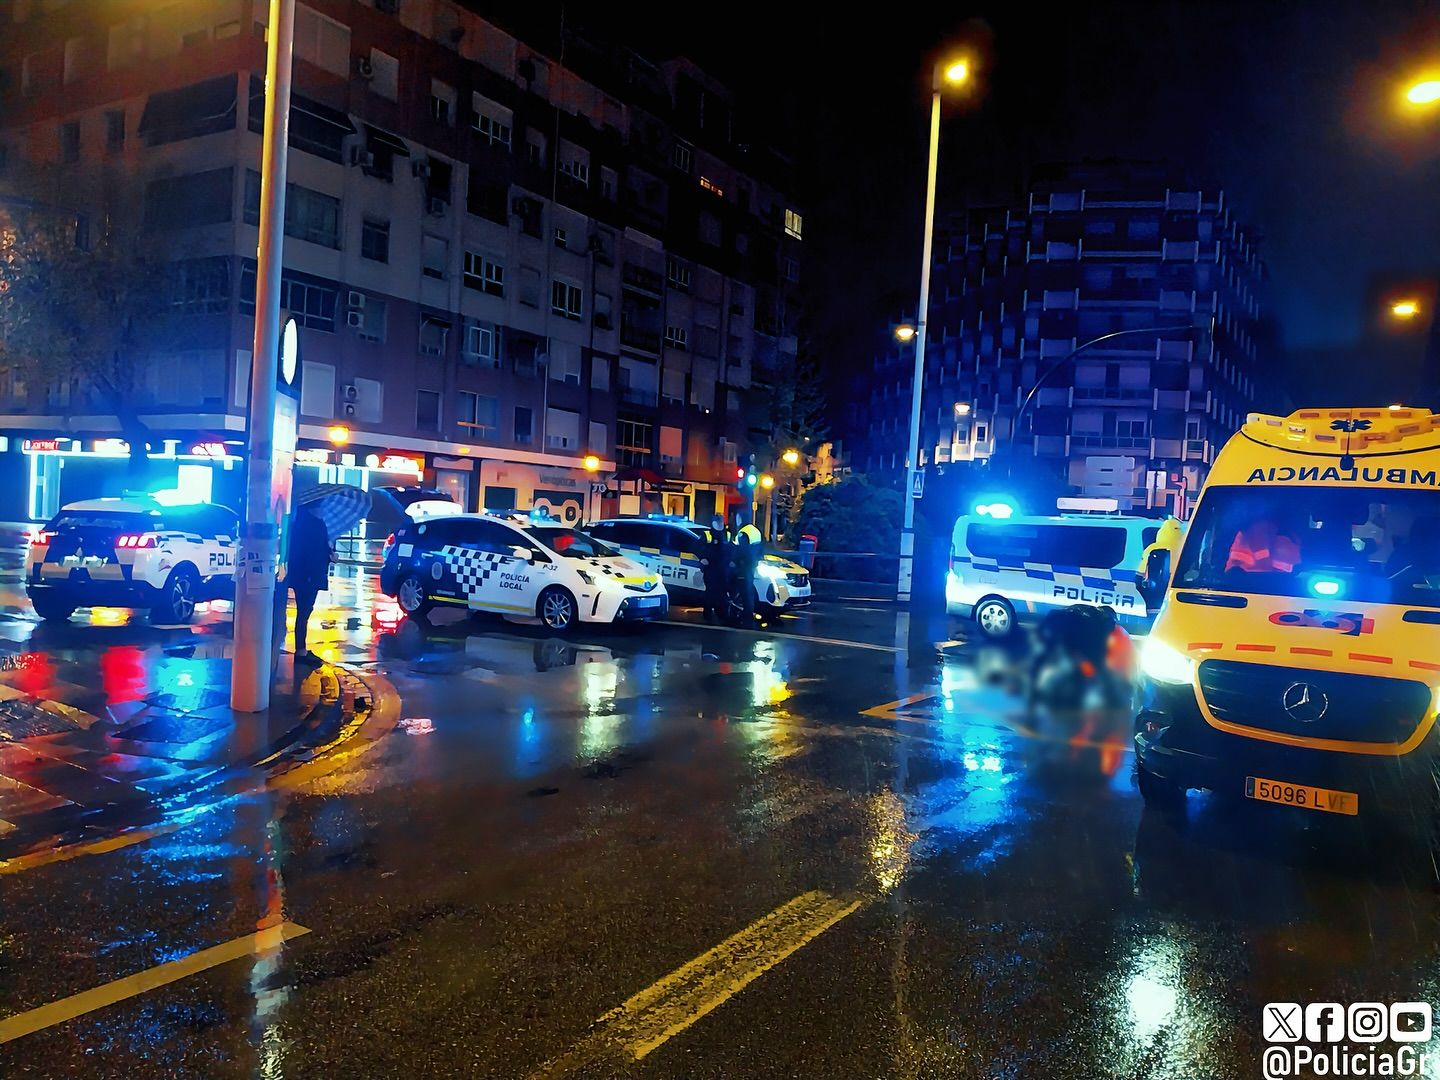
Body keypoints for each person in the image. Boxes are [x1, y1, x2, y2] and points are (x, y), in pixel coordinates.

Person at [287, 506, 332, 665]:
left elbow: (321, 550)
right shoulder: (309, 526)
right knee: (304, 612)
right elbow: (306, 553)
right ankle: (300, 651)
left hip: (310, 575)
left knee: (305, 611)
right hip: (307, 576)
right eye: (321, 505)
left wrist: (330, 554)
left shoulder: (310, 524)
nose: (324, 509)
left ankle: (302, 649)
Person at [728, 522, 763, 625]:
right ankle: (747, 616)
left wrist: (734, 562)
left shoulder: (743, 535)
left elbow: (740, 551)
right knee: (748, 594)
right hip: (749, 570)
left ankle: (741, 616)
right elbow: (759, 552)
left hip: (742, 570)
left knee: (741, 593)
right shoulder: (755, 534)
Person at [701, 516, 730, 624]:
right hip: (711, 568)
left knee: (722, 592)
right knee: (710, 591)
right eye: (717, 522)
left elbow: (732, 549)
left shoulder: (727, 534)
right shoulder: (707, 534)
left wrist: (732, 561)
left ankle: (722, 614)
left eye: (720, 522)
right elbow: (698, 548)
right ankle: (708, 615)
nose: (719, 524)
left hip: (723, 568)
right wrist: (702, 558)